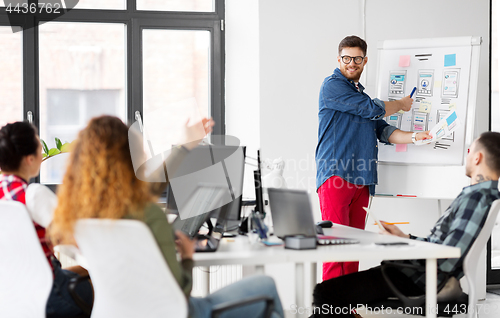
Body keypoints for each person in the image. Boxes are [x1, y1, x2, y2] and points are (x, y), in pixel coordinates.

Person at [49, 115, 284, 318]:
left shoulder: (84, 217)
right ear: (126, 161)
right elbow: (180, 291)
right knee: (266, 285)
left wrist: (184, 146)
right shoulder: (148, 215)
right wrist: (188, 258)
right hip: (177, 313)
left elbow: (147, 187)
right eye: (139, 152)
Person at [312, 132, 500, 318]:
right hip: (416, 272)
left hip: (417, 277)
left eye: (469, 151)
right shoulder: (481, 196)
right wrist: (406, 238)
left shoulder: (476, 198)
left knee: (325, 294)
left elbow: (448, 257)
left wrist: (404, 249)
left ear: (477, 158)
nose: (466, 156)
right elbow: (444, 247)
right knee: (330, 297)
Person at [315, 35, 432, 280]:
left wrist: (415, 137)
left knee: (353, 249)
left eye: (357, 58)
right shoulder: (332, 86)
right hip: (336, 176)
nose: (351, 63)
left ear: (365, 60)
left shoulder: (361, 95)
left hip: (363, 179)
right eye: (346, 58)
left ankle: (348, 309)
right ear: (339, 59)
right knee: (336, 250)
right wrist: (400, 103)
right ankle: (331, 314)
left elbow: (383, 130)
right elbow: (371, 109)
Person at [0, 121, 93, 318]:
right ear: (29, 159)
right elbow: (73, 241)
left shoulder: (4, 194)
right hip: (50, 296)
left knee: (81, 271)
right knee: (103, 288)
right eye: (38, 146)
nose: (42, 151)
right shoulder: (33, 195)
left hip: (11, 297)